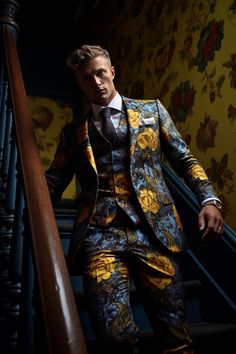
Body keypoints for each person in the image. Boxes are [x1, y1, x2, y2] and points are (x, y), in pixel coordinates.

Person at [45, 45, 223, 354]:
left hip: (153, 231)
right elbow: (52, 184)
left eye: (101, 73)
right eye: (88, 78)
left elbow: (185, 160)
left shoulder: (151, 111)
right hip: (99, 237)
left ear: (112, 71)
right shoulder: (71, 133)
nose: (97, 82)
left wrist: (209, 200)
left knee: (176, 336)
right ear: (80, 84)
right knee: (115, 339)